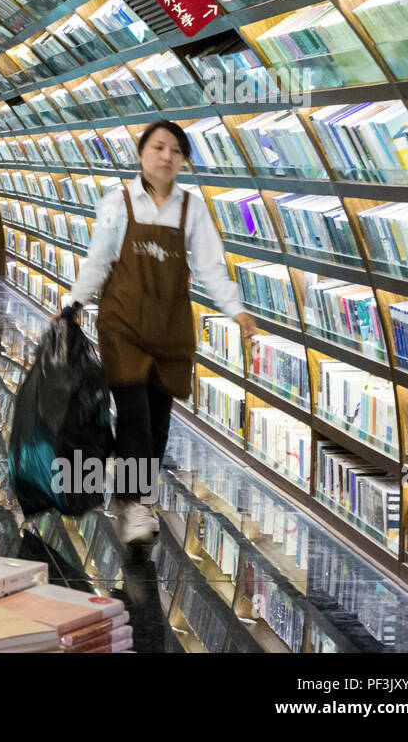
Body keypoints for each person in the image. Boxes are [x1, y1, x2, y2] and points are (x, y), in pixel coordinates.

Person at [63, 120, 258, 545]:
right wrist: (74, 301)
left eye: (176, 150)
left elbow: (210, 266)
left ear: (184, 160)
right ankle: (136, 503)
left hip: (171, 331)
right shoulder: (117, 203)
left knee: (159, 422)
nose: (166, 156)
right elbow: (98, 258)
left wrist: (237, 311)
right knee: (135, 416)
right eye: (158, 147)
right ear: (141, 153)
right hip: (123, 324)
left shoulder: (193, 208)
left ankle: (129, 485)